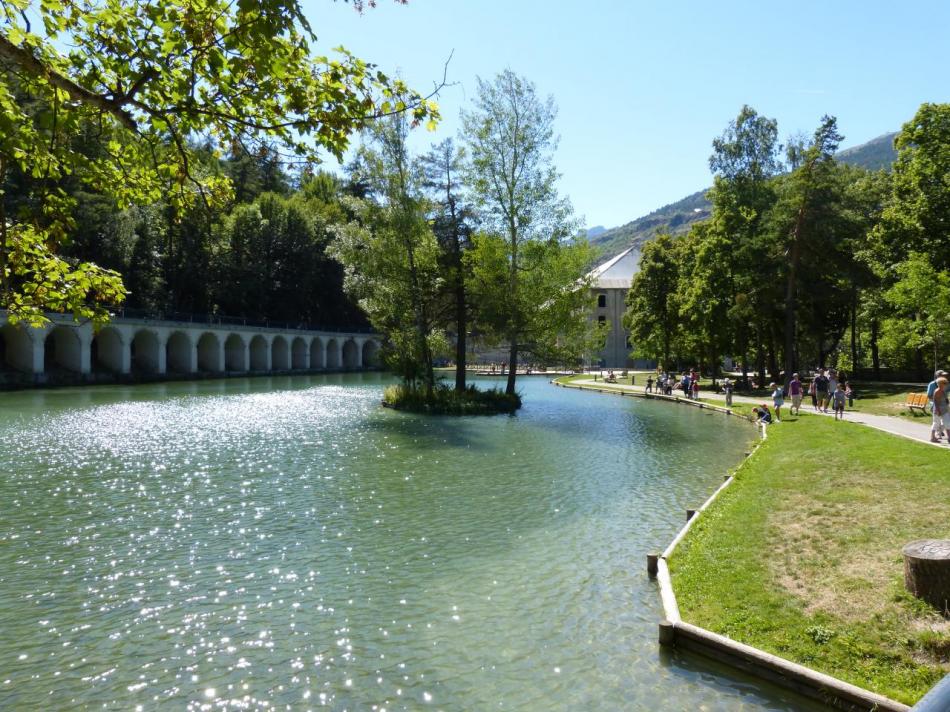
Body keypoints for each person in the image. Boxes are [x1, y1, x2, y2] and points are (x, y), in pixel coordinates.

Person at [931, 376, 949, 443]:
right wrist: (938, 410)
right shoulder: (938, 391)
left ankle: (949, 438)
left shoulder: (943, 390)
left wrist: (947, 400)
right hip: (938, 410)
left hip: (944, 410)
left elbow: (945, 399)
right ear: (940, 384)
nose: (946, 384)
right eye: (944, 383)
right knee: (936, 423)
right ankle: (932, 438)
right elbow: (935, 402)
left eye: (946, 383)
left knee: (947, 423)